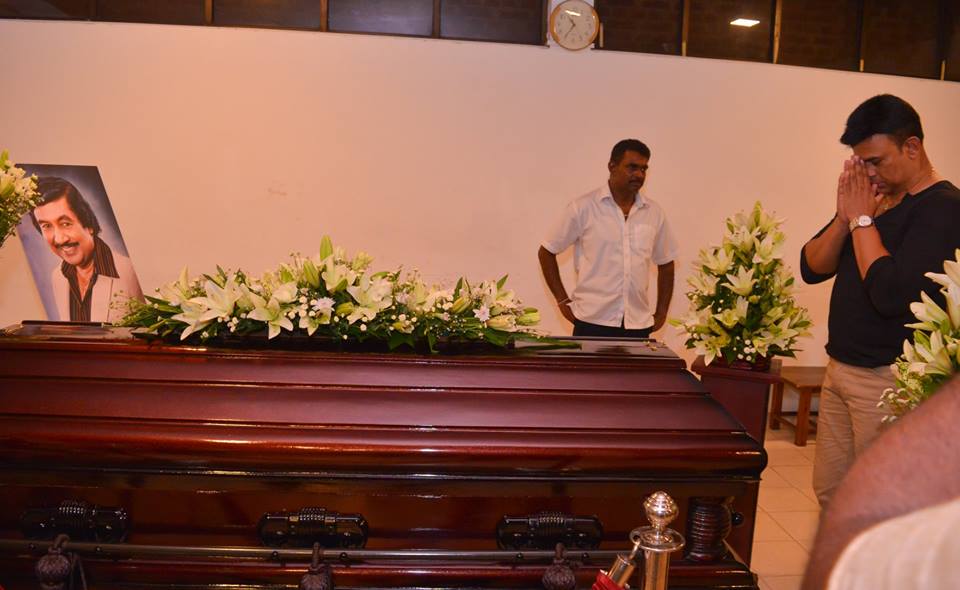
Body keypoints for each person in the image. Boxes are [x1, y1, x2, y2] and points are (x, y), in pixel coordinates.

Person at [800, 94, 960, 507]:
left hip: (887, 379)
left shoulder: (943, 207)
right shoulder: (872, 204)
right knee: (831, 495)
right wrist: (845, 218)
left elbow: (891, 294)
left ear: (912, 147)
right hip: (841, 368)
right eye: (861, 162)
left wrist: (861, 220)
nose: (869, 173)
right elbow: (812, 266)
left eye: (877, 161)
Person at [800, 374, 960, 590]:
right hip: (838, 370)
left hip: (878, 377)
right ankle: (834, 576)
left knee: (868, 506)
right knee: (827, 487)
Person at [538, 139, 677, 338]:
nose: (639, 174)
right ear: (612, 166)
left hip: (637, 324)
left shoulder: (654, 213)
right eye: (632, 167)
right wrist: (561, 300)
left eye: (643, 169)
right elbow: (546, 251)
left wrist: (662, 313)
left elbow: (666, 263)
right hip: (591, 321)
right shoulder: (583, 208)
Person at [30, 176, 143, 323]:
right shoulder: (58, 277)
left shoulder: (131, 272)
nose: (59, 239)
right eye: (46, 226)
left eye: (65, 223)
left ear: (88, 224)